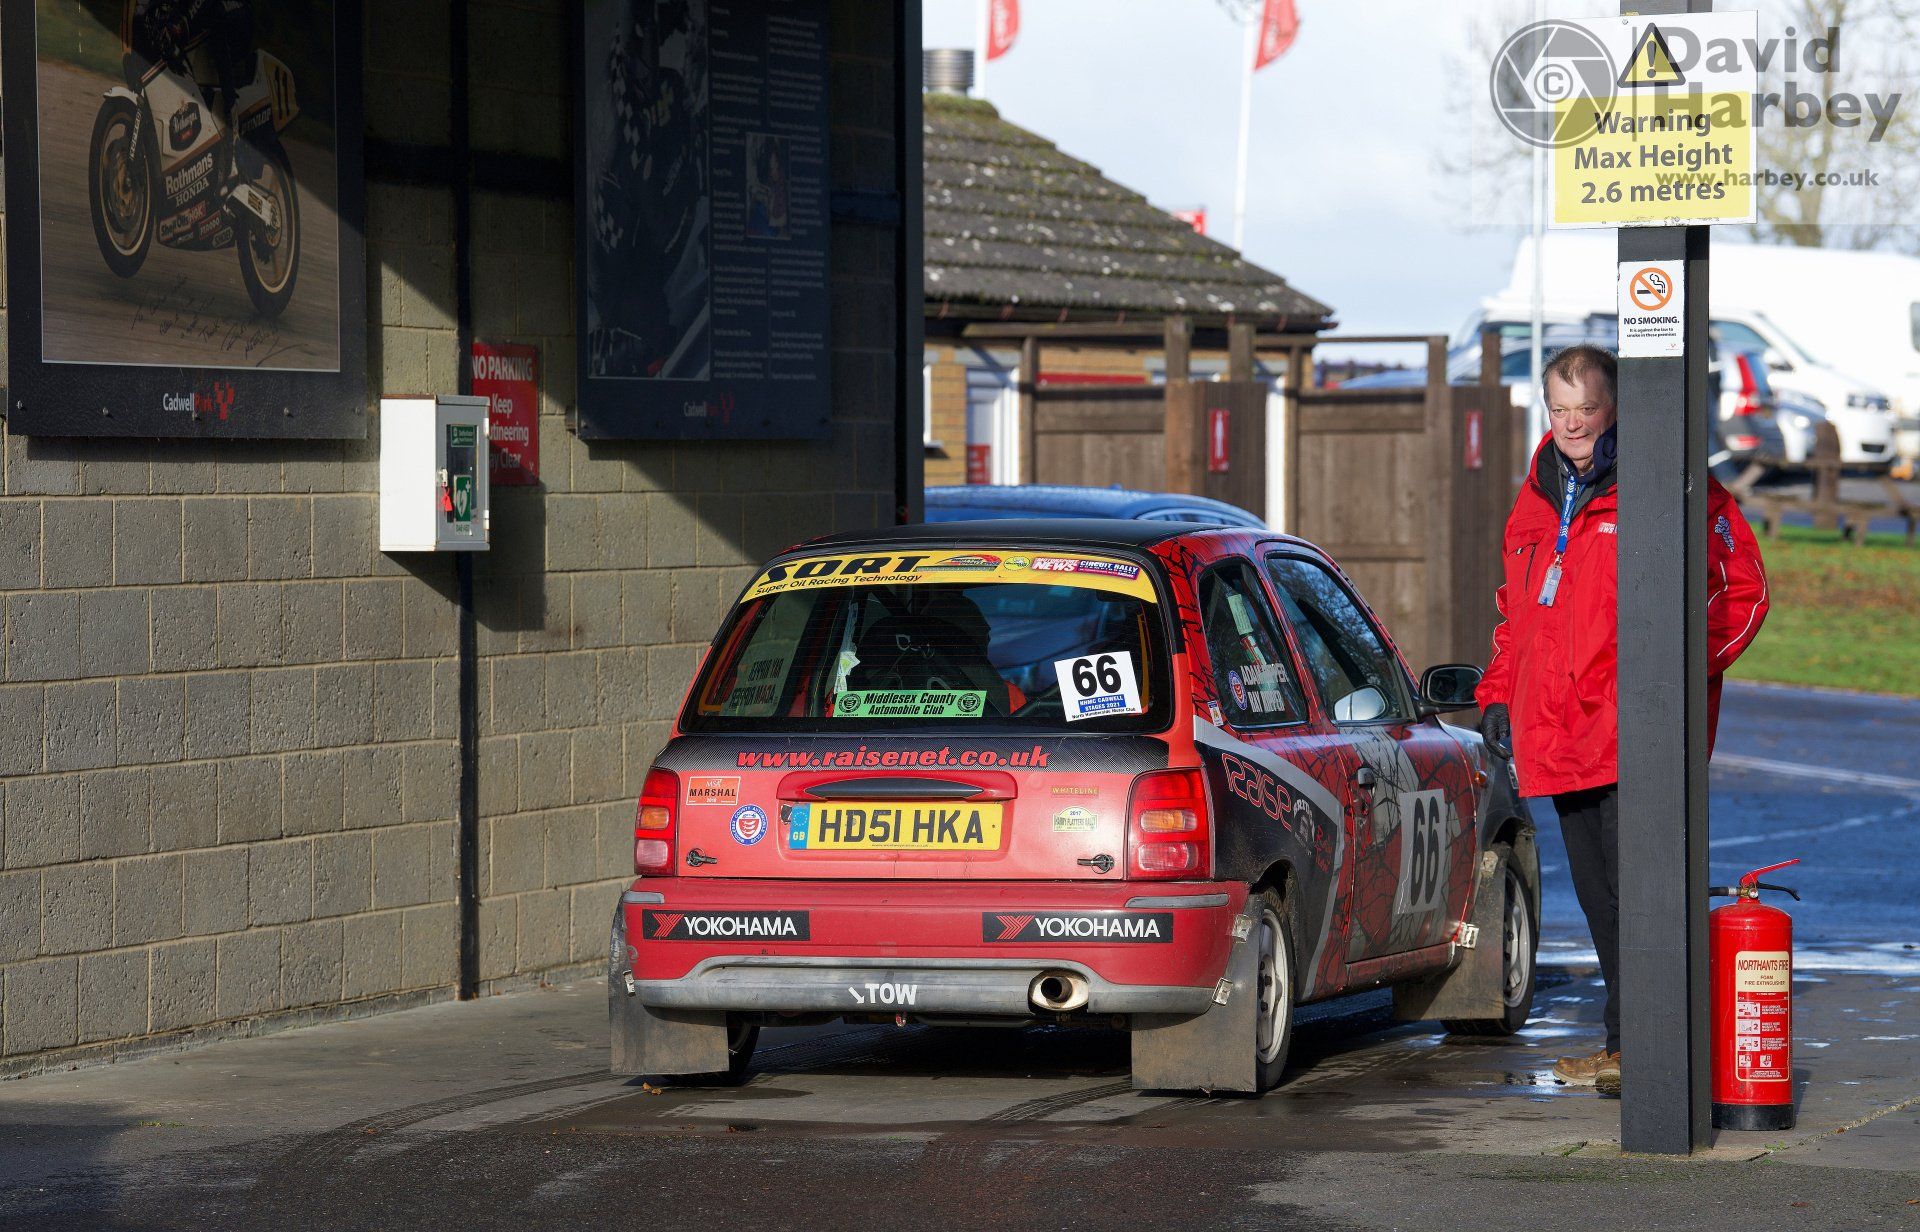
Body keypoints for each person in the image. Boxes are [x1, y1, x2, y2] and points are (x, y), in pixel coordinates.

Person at [1474, 344, 1770, 1095]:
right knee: (1601, 901)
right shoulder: (1535, 495)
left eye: (1587, 408)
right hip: (1559, 736)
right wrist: (1499, 694)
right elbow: (1518, 612)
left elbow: (1742, 592)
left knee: (1646, 899)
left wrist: (1676, 681)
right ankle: (1628, 1047)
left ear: (1615, 408)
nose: (1572, 423)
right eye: (1560, 408)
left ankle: (1663, 1054)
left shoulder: (1671, 479)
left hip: (1637, 735)